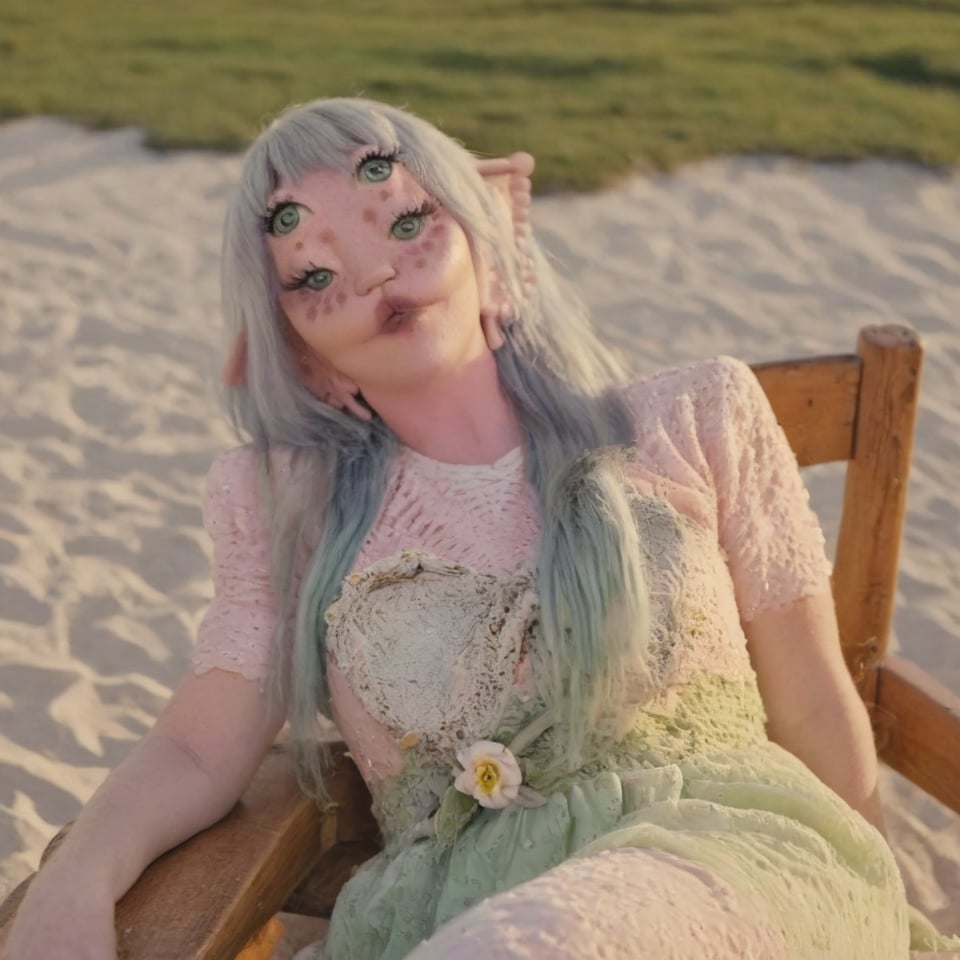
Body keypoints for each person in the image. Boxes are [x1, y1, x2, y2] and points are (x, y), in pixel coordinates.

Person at [3, 97, 958, 960]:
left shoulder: (697, 417)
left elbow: (811, 700)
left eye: (408, 221)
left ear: (491, 257)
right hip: (448, 917)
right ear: (305, 361)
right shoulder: (284, 510)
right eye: (314, 272)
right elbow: (198, 749)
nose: (377, 271)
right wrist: (77, 876)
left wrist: (874, 912)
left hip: (738, 870)